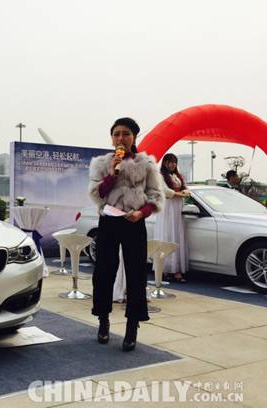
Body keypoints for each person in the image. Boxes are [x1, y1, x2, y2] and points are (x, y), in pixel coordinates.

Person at [89, 117, 164, 351]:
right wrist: (112, 173)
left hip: (133, 222)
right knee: (103, 271)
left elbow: (155, 196)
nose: (121, 138)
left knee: (135, 273)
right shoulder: (101, 163)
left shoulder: (147, 164)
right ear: (112, 138)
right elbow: (97, 193)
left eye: (126, 134)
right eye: (116, 134)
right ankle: (103, 320)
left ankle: (132, 326)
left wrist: (141, 213)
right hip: (109, 221)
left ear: (134, 137)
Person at [154, 153, 190, 283]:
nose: (172, 164)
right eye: (170, 162)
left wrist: (184, 192)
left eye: (174, 162)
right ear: (164, 163)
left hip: (177, 208)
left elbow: (186, 189)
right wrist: (179, 194)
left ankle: (176, 269)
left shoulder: (177, 176)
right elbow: (164, 191)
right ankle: (165, 269)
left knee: (177, 236)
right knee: (167, 235)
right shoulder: (160, 176)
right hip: (167, 209)